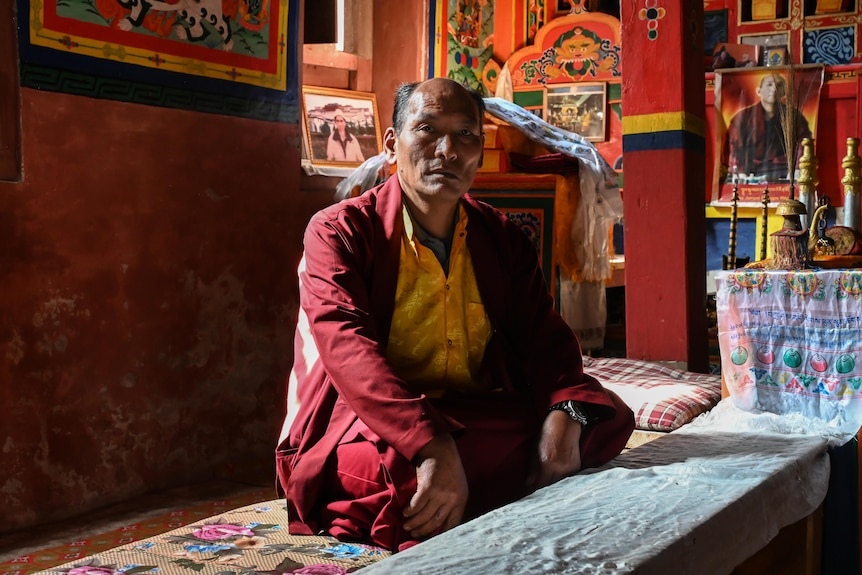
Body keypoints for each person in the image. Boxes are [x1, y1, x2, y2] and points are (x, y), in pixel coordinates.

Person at [276, 77, 635, 553]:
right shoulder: (338, 232)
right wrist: (429, 443)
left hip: (471, 411)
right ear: (391, 144)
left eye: (466, 135)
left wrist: (563, 411)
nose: (447, 150)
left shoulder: (501, 237)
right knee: (390, 477)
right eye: (427, 129)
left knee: (600, 420)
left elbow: (544, 339)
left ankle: (464, 481)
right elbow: (349, 351)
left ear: (479, 150)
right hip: (369, 421)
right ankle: (472, 479)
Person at [724, 72, 812, 183]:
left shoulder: (794, 116)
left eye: (779, 85)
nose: (774, 89)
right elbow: (733, 146)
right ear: (759, 91)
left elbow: (804, 143)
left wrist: (798, 168)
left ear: (784, 92)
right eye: (769, 84)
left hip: (783, 169)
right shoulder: (743, 117)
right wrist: (739, 171)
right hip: (749, 170)